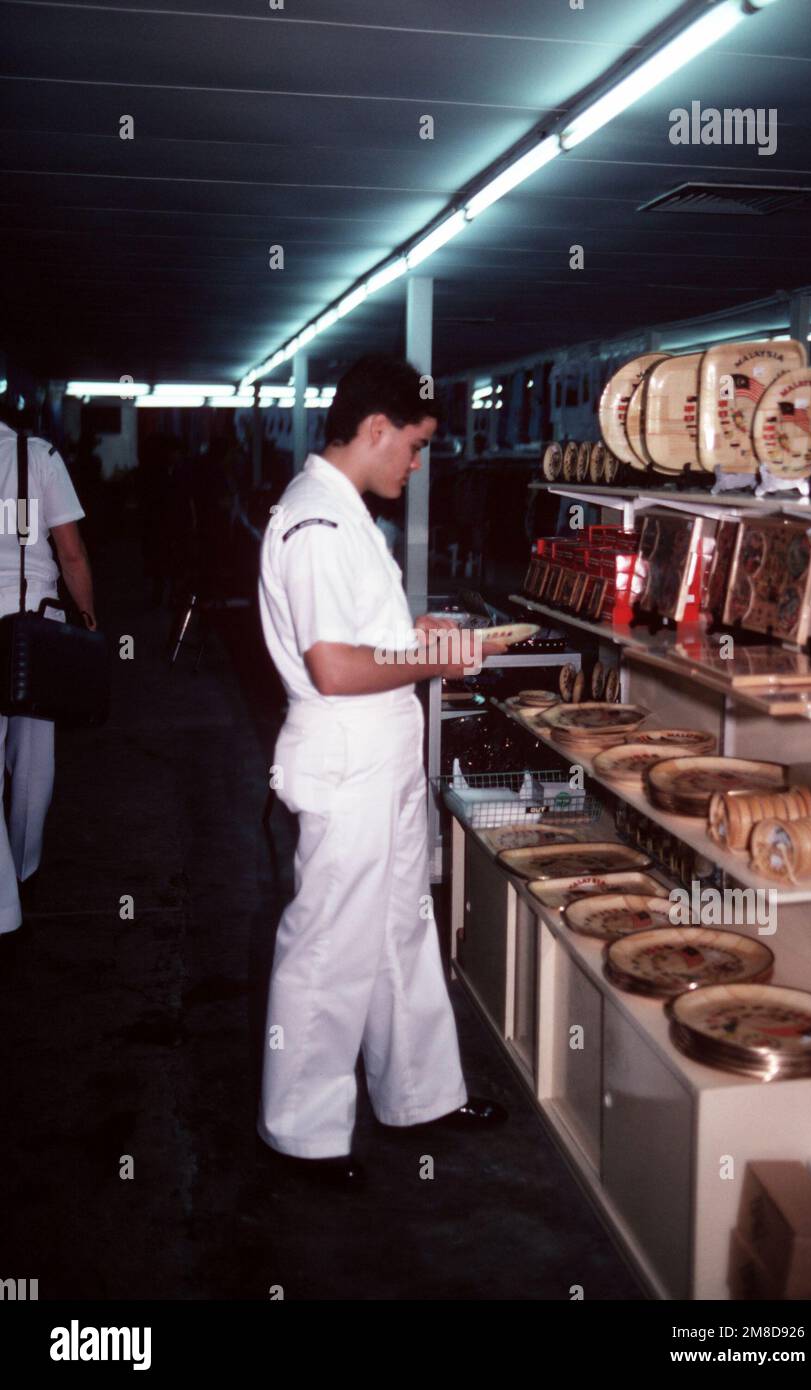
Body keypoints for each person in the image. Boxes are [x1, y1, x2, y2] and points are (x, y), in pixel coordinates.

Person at [257, 354, 508, 1187]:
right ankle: (301, 1133)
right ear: (375, 430)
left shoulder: (347, 516)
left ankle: (420, 1095)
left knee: (402, 928)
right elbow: (333, 667)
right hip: (347, 754)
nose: (418, 460)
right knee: (331, 945)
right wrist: (432, 658)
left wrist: (416, 633)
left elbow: (364, 637)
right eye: (416, 443)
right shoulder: (316, 524)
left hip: (382, 753)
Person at [0, 408, 97, 937]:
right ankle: (22, 871)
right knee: (34, 762)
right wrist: (88, 619)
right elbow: (72, 553)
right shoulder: (38, 456)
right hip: (33, 625)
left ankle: (2, 903)